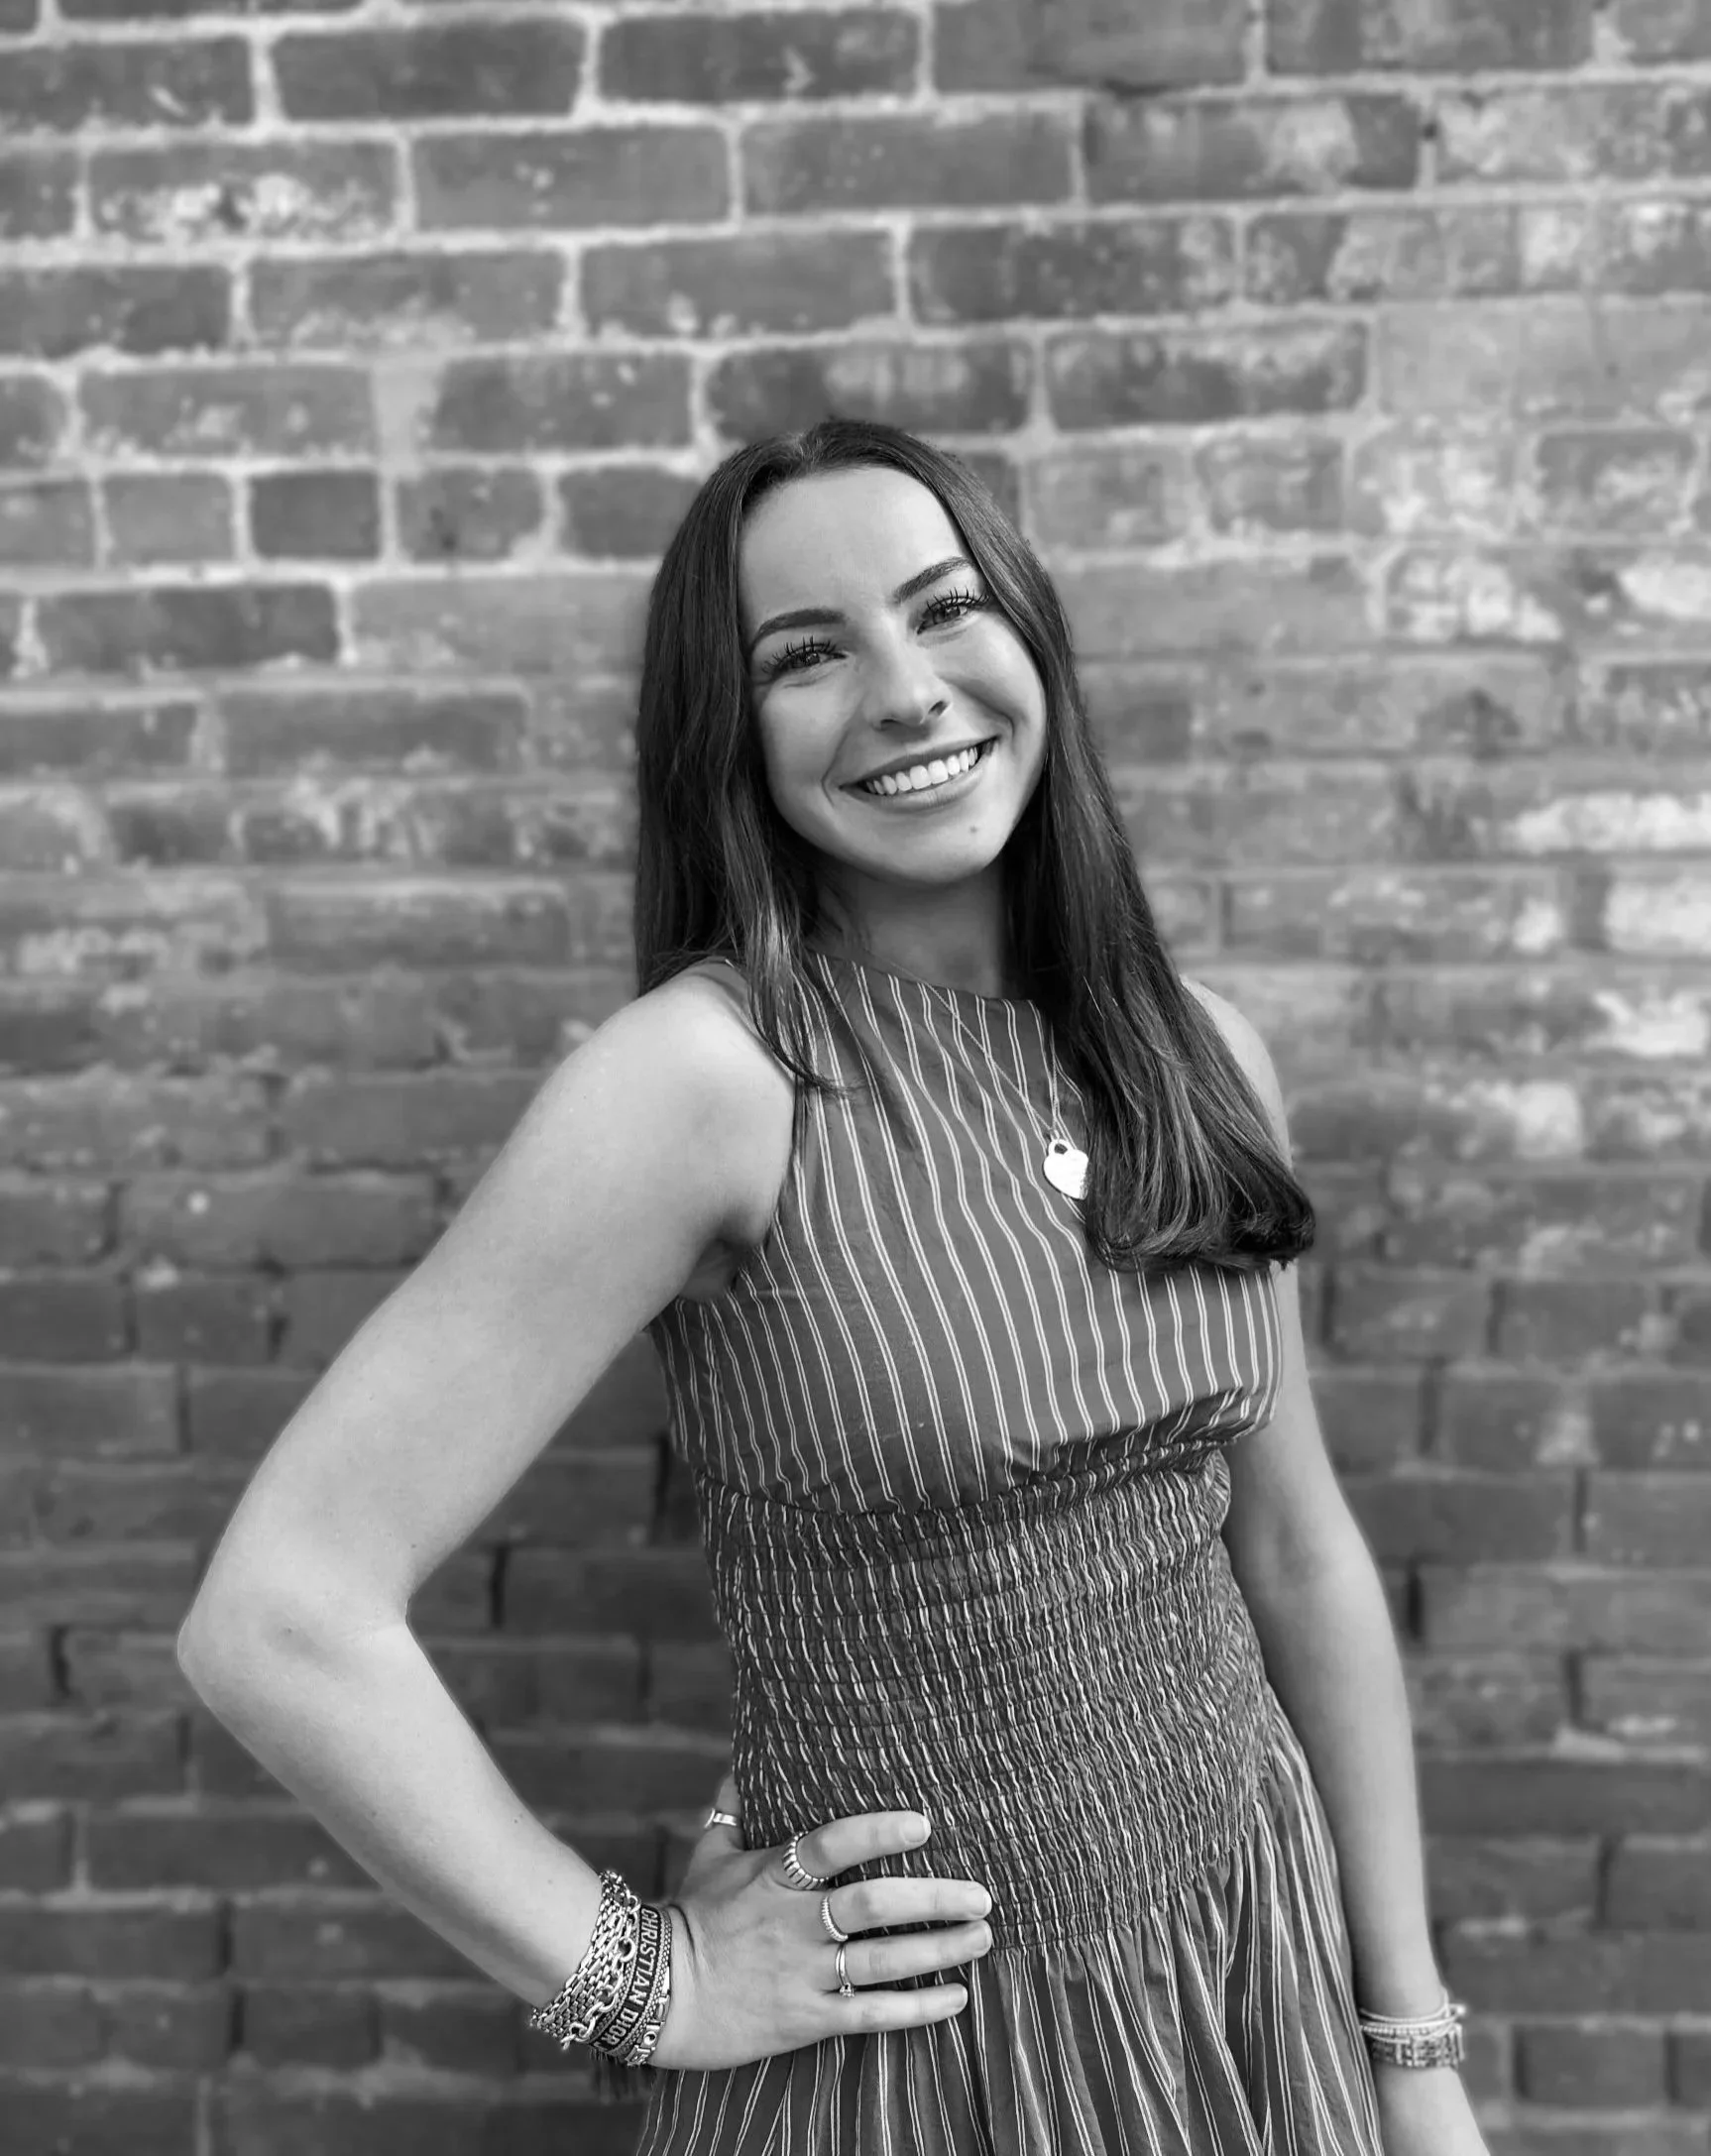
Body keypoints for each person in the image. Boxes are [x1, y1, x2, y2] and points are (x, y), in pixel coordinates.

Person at [177, 418, 1489, 2155]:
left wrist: (1406, 2038)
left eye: (944, 609)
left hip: (1251, 1973)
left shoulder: (1197, 1053)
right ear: (729, 736)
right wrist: (649, 1980)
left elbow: (1297, 1551)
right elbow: (279, 1615)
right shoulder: (704, 1083)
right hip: (930, 2058)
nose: (904, 690)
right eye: (807, 655)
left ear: (1028, 634)